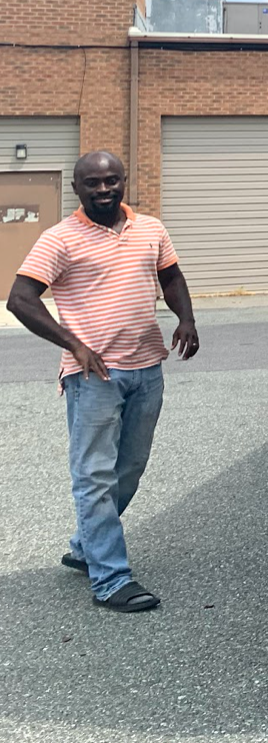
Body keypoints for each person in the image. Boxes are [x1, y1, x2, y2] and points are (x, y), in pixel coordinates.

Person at [6, 150, 199, 613]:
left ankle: (84, 545)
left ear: (124, 181)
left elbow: (170, 277)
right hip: (92, 376)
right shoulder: (59, 239)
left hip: (147, 368)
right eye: (93, 183)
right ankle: (111, 579)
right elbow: (20, 299)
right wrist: (74, 345)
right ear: (77, 188)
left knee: (128, 468)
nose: (104, 189)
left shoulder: (150, 228)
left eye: (111, 180)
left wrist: (186, 318)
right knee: (94, 475)